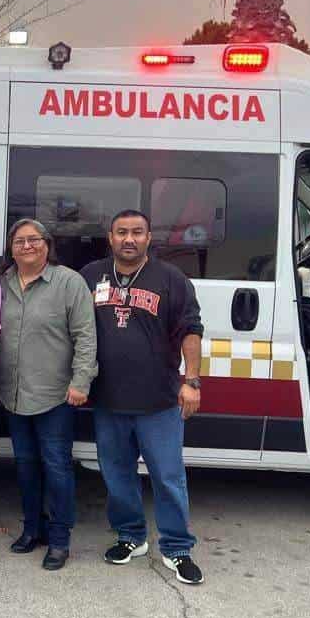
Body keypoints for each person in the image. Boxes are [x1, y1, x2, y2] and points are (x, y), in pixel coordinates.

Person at [81, 209, 206, 585]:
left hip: (160, 401)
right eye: (122, 232)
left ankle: (177, 547)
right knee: (117, 476)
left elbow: (191, 330)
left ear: (150, 238)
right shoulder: (90, 276)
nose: (129, 239)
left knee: (168, 477)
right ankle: (131, 537)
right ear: (111, 237)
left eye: (137, 232)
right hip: (108, 400)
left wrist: (193, 381)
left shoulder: (171, 279)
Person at [0, 219, 97, 571]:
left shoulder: (69, 282)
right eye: (19, 241)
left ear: (46, 244)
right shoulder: (2, 283)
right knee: (25, 467)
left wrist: (81, 382)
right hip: (14, 393)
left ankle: (59, 539)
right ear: (11, 247)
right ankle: (32, 530)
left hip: (56, 394)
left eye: (34, 240)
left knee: (56, 467)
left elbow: (86, 337)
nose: (27, 246)